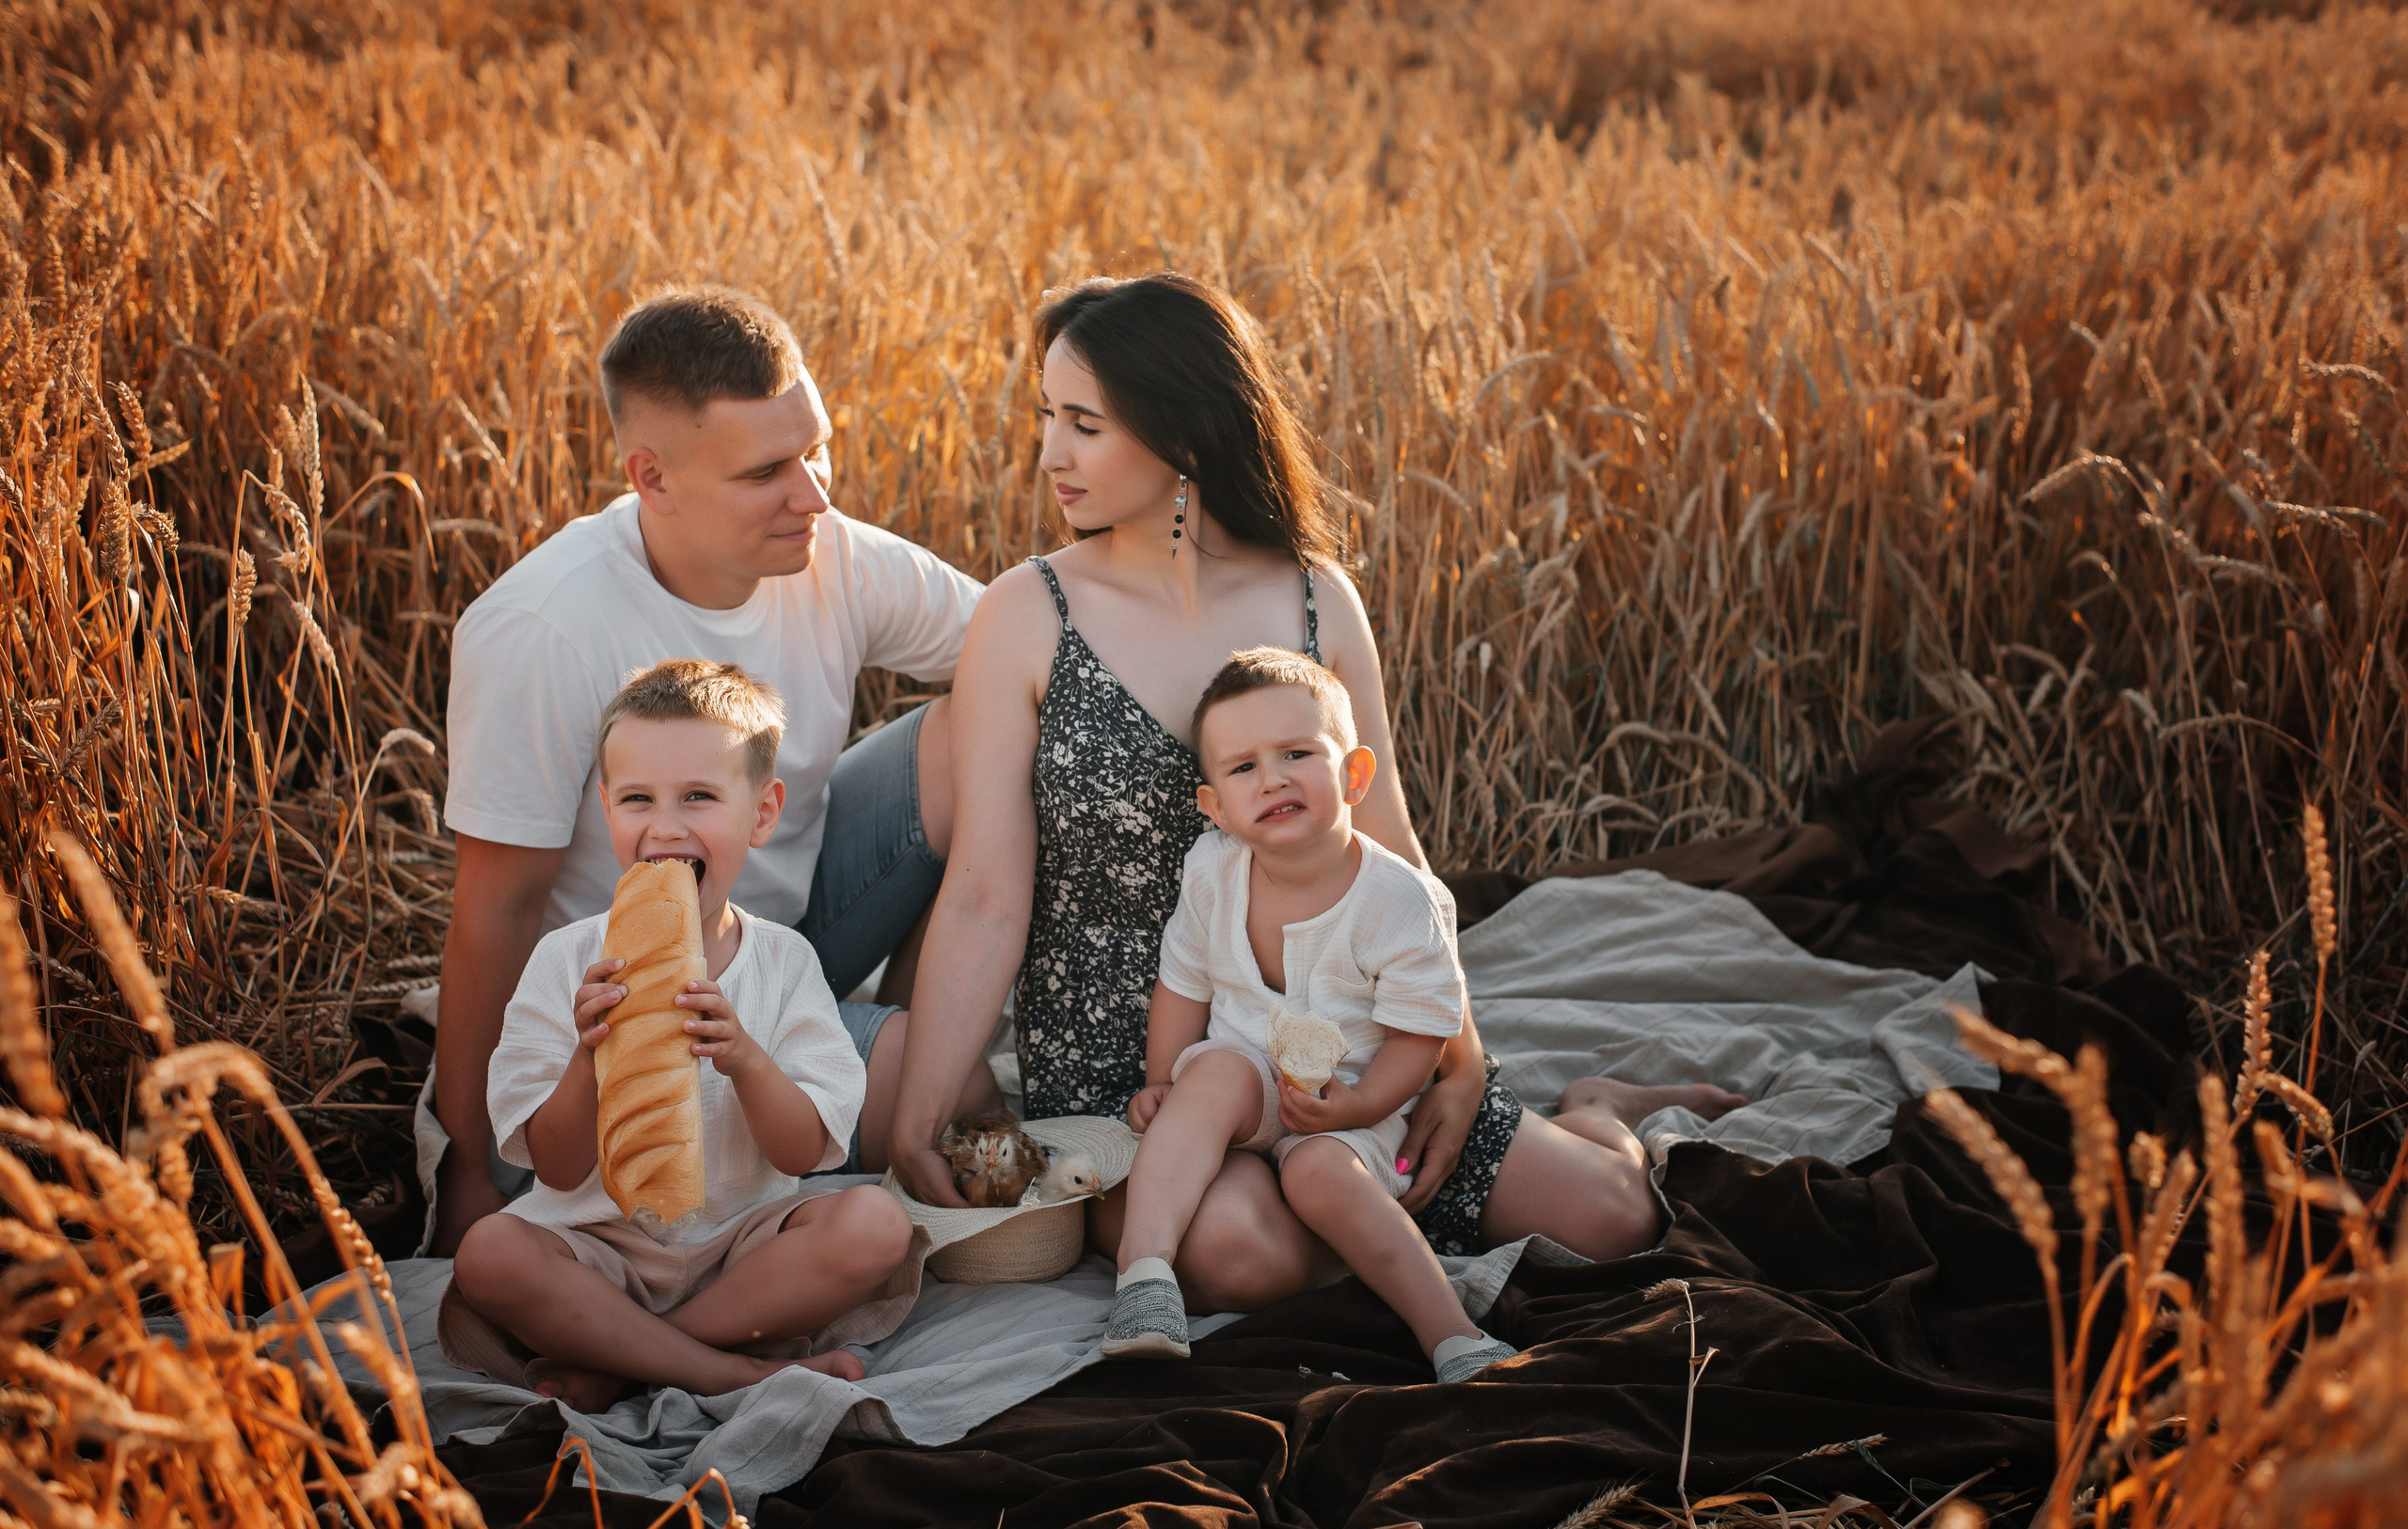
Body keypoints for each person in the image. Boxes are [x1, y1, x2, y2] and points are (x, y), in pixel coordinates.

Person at [887, 272, 1743, 1309]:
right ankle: (1352, 1218)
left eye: (1084, 424)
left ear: (1185, 432)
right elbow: (985, 894)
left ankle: (1597, 1104)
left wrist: (1461, 1056)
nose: (1049, 455)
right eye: (1045, 419)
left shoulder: (1312, 598)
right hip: (1135, 1059)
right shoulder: (1028, 612)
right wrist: (916, 1117)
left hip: (1338, 1033)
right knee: (1241, 1259)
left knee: (1616, 1219)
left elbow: (1393, 851)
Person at [426, 285, 999, 1255]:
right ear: (651, 476)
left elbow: (1027, 645)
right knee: (953, 1093)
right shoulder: (543, 629)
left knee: (977, 713)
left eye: (816, 449)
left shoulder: (833, 555)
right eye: (767, 470)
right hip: (631, 1016)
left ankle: (892, 1016)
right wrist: (471, 1170)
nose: (814, 493)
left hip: (782, 940)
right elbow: (495, 913)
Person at [441, 661, 916, 1411]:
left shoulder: (785, 963)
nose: (664, 826)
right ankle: (725, 1370)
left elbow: (803, 1151)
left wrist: (746, 1059)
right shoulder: (567, 961)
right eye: (637, 799)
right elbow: (558, 1169)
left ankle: (627, 1355)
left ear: (762, 813)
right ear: (606, 811)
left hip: (740, 1252)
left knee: (879, 1225)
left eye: (698, 795)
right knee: (488, 1254)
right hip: (597, 1245)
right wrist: (586, 1056)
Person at [1106, 650, 1515, 1381]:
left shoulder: (1399, 899)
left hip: (1356, 1096)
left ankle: (1450, 1333)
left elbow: (1421, 1037)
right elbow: (1182, 983)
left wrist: (1362, 1103)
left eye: (1297, 753)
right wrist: (1161, 1078)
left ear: (1355, 775)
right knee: (1212, 1080)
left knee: (1323, 1173)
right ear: (1217, 808)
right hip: (1247, 1079)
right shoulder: (1212, 870)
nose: (1273, 778)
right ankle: (1143, 1280)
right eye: (1243, 768)